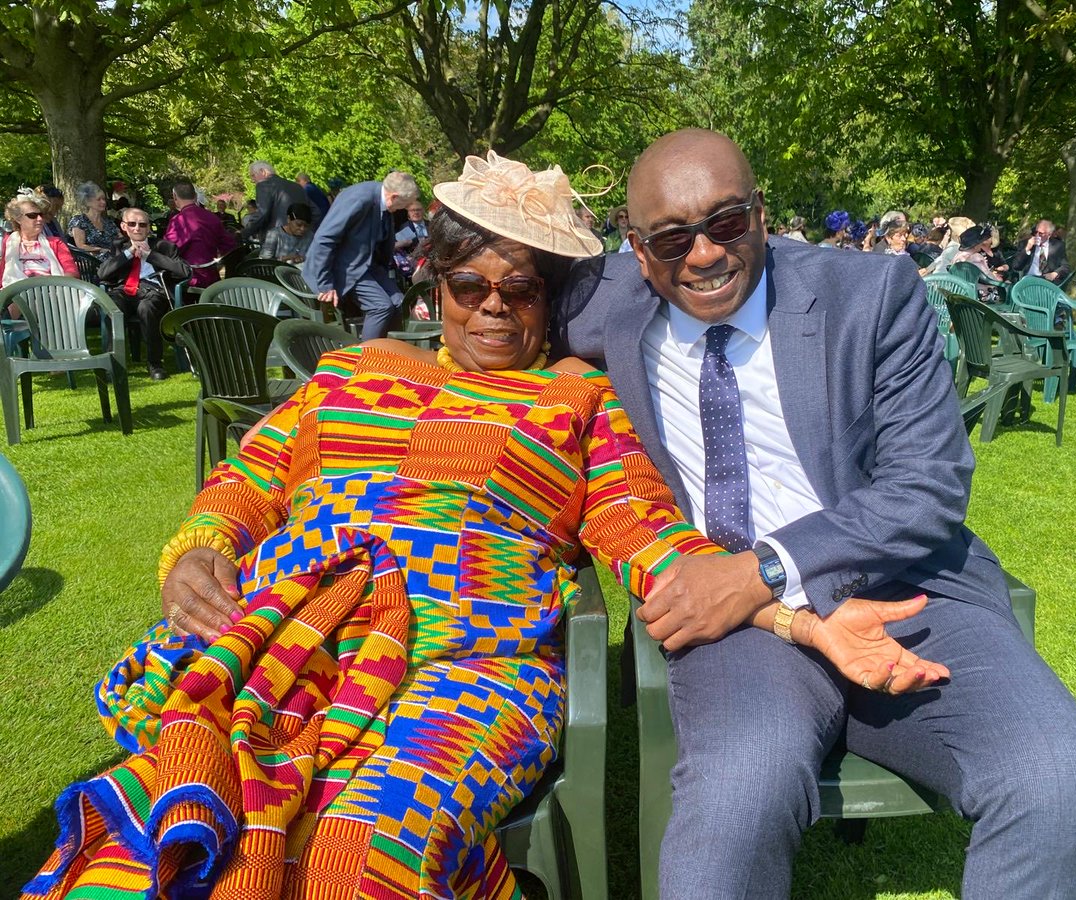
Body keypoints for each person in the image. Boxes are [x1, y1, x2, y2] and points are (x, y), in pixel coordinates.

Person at [20, 151, 728, 900]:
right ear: (437, 287)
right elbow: (251, 475)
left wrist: (774, 599)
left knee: (362, 850)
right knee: (180, 823)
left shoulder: (576, 397)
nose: (493, 306)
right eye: (468, 284)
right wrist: (200, 548)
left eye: (519, 290)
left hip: (467, 668)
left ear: (548, 302)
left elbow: (635, 520)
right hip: (289, 636)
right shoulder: (354, 370)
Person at [556, 128, 1076, 900]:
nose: (705, 255)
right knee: (736, 798)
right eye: (673, 238)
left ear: (760, 213)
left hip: (908, 590)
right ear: (637, 248)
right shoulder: (607, 304)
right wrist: (403, 355)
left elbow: (928, 484)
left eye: (726, 223)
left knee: (1059, 781)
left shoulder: (873, 295)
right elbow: (490, 291)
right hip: (747, 631)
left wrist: (763, 570)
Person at [303, 171, 420, 339]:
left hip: (368, 265)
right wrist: (325, 283)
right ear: (393, 197)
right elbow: (325, 238)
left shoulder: (383, 202)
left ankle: (390, 357)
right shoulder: (359, 198)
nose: (403, 210)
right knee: (380, 307)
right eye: (404, 205)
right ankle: (365, 360)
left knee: (400, 303)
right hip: (342, 268)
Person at [97, 208, 192, 380]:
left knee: (147, 308)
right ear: (124, 226)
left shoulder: (164, 246)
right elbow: (102, 273)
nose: (137, 228)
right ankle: (112, 364)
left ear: (149, 228)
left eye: (142, 225)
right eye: (132, 224)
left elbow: (184, 271)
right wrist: (128, 254)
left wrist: (150, 255)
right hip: (124, 291)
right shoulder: (118, 246)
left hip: (153, 291)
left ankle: (155, 364)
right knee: (112, 306)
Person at [164, 181, 238, 290]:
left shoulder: (178, 220)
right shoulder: (212, 217)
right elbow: (229, 246)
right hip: (213, 277)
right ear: (195, 196)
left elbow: (169, 251)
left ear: (175, 197)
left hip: (188, 280)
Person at [2, 192, 79, 290]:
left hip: (53, 293)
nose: (40, 219)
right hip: (17, 296)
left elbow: (71, 271)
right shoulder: (9, 243)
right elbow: (3, 276)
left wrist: (60, 291)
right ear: (18, 219)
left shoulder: (55, 243)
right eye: (32, 215)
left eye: (41, 215)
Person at [241, 161, 315, 242]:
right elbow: (315, 212)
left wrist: (243, 233)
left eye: (253, 175)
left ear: (263, 172)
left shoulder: (264, 185)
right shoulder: (297, 187)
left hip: (276, 242)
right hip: (302, 241)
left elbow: (262, 214)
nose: (252, 180)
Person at [68, 181, 122, 258]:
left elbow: (121, 239)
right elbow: (80, 245)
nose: (103, 202)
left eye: (104, 199)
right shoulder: (79, 221)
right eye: (99, 199)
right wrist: (100, 250)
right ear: (88, 202)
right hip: (92, 261)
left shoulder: (109, 222)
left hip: (113, 259)